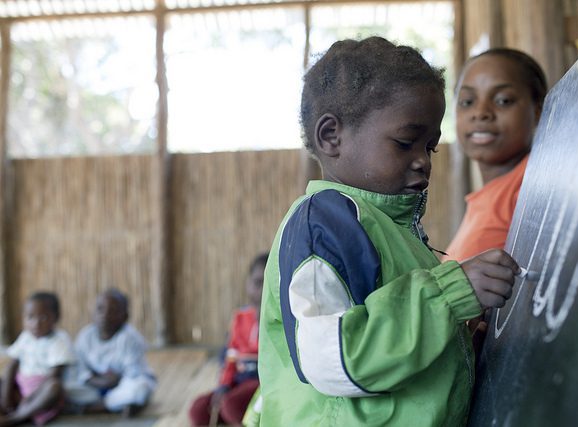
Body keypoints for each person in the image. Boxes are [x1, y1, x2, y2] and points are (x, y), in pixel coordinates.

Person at [258, 36, 520, 426]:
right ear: (331, 136)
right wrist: (449, 298)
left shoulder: (390, 228)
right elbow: (333, 359)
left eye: (430, 147)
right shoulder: (326, 223)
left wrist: (456, 343)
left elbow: (397, 347)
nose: (422, 162)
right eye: (404, 143)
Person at [443, 48, 548, 262]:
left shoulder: (533, 189)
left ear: (538, 110)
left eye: (503, 100)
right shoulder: (489, 196)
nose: (480, 112)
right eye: (467, 101)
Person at [189, 253, 268, 427]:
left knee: (231, 405)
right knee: (199, 409)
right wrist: (223, 387)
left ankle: (237, 416)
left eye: (267, 283)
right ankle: (233, 415)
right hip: (238, 383)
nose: (262, 290)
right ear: (248, 285)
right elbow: (229, 359)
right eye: (257, 283)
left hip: (262, 385)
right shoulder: (240, 319)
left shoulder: (280, 321)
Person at [64, 288, 156, 417]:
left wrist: (115, 381)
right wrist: (99, 381)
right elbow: (80, 370)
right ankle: (119, 405)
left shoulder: (130, 338)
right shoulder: (85, 336)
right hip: (94, 387)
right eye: (100, 309)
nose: (105, 315)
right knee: (64, 388)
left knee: (141, 388)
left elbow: (133, 373)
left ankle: (99, 407)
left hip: (123, 385)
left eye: (113, 311)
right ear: (93, 313)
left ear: (125, 317)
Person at [0, 292, 75, 426]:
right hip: (20, 389)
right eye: (30, 317)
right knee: (3, 379)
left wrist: (30, 398)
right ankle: (8, 408)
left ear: (56, 317)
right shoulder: (26, 337)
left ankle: (16, 418)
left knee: (55, 386)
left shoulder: (59, 340)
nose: (36, 323)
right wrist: (6, 395)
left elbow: (55, 374)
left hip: (41, 393)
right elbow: (13, 364)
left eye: (43, 317)